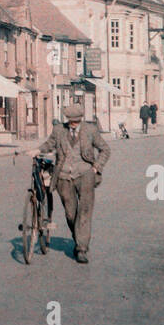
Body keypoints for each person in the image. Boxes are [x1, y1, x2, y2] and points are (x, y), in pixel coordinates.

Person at [35, 102, 111, 264]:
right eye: (71, 120)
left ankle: (81, 248)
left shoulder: (90, 130)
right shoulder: (59, 130)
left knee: (84, 211)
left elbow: (105, 149)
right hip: (63, 176)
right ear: (67, 119)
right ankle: (78, 239)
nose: (74, 123)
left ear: (81, 119)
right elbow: (50, 144)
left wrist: (96, 168)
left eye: (76, 120)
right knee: (70, 213)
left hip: (85, 175)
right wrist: (38, 150)